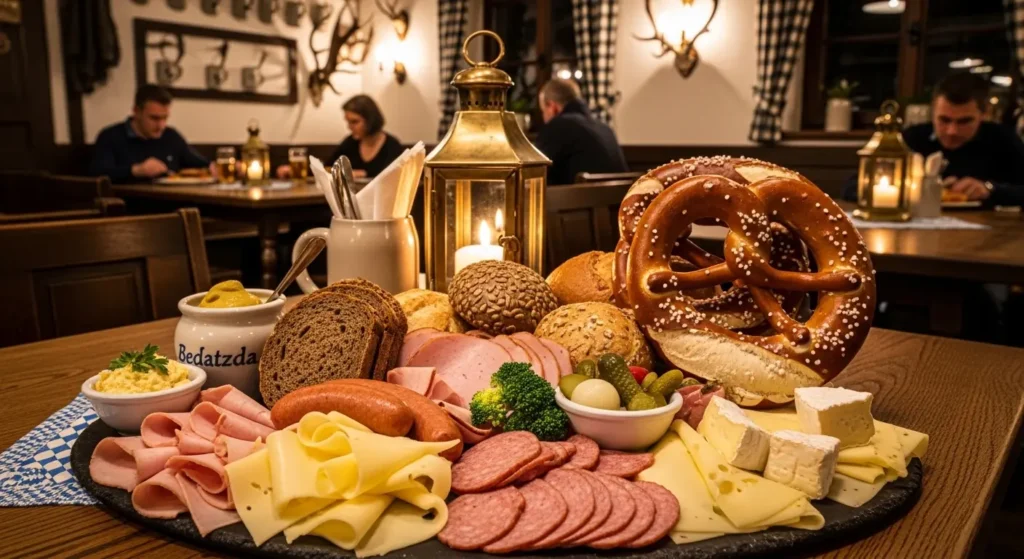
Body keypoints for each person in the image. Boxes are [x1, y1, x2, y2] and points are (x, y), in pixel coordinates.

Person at [842, 72, 1024, 207]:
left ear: (984, 114)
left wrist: (990, 189)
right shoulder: (912, 138)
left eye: (964, 121)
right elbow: (851, 188)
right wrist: (913, 189)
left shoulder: (1003, 139)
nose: (952, 131)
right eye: (944, 120)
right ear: (933, 113)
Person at [90, 85, 211, 183]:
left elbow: (200, 164)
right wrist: (136, 171)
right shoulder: (111, 136)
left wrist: (212, 167)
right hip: (130, 206)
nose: (161, 126)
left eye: (165, 118)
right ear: (136, 112)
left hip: (173, 202)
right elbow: (98, 175)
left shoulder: (171, 136)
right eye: (154, 118)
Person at [280, 95, 403, 179]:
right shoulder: (350, 143)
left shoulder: (392, 146)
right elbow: (328, 168)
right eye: (348, 122)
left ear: (370, 119)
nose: (349, 127)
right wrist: (297, 171)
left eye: (354, 122)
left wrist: (364, 174)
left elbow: (394, 178)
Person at [534, 78, 628, 186]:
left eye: (543, 111)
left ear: (552, 107)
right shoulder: (605, 128)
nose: (543, 117)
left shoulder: (557, 126)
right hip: (619, 201)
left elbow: (535, 174)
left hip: (584, 202)